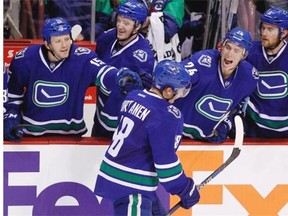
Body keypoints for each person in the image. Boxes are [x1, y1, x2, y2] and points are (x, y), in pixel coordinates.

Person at [3, 17, 142, 141]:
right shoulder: (25, 60)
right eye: (58, 41)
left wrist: (121, 77)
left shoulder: (82, 58)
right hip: (32, 135)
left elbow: (103, 72)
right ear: (47, 44)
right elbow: (14, 96)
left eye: (67, 39)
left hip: (71, 138)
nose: (64, 45)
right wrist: (11, 114)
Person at [94, 59, 200, 215]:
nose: (181, 95)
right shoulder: (167, 116)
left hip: (118, 174)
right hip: (132, 185)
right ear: (168, 91)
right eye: (180, 90)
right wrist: (186, 189)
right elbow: (166, 166)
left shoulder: (133, 96)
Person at [174, 27, 259, 143]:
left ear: (243, 56)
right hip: (176, 133)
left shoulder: (249, 77)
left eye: (236, 50)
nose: (230, 54)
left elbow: (237, 107)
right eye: (228, 47)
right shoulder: (203, 62)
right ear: (221, 47)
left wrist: (226, 125)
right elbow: (175, 79)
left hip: (207, 139)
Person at [92, 0, 155, 138]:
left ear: (137, 26)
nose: (120, 26)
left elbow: (140, 96)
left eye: (126, 23)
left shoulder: (143, 57)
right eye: (119, 20)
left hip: (120, 123)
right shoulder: (107, 38)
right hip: (100, 113)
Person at [244, 7, 288, 138]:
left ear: (283, 33)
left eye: (270, 29)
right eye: (263, 28)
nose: (264, 33)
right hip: (254, 128)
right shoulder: (249, 51)